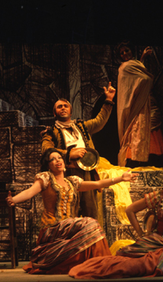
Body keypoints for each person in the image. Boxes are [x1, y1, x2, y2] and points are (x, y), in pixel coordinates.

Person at [6, 148, 137, 274]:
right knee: (90, 223)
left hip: (70, 228)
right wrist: (14, 200)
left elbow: (98, 184)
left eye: (59, 158)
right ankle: (101, 262)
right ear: (48, 165)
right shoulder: (45, 178)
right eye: (53, 159)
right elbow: (30, 191)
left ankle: (101, 263)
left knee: (94, 227)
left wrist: (121, 178)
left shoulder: (72, 182)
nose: (58, 160)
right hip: (52, 228)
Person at [41, 83, 116, 219]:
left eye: (66, 106)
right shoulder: (51, 132)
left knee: (90, 210)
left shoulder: (81, 126)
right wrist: (69, 154)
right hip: (66, 173)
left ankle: (92, 239)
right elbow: (46, 150)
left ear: (70, 111)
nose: (63, 108)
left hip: (87, 172)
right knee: (70, 210)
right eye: (59, 106)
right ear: (54, 113)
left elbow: (99, 121)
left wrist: (109, 100)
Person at [116, 42, 163, 167]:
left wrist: (142, 58)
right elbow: (130, 87)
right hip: (136, 104)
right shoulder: (124, 68)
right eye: (121, 53)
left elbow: (141, 78)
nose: (124, 54)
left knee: (150, 127)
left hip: (149, 101)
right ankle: (137, 162)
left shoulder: (135, 65)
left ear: (131, 51)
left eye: (126, 50)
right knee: (137, 129)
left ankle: (152, 162)